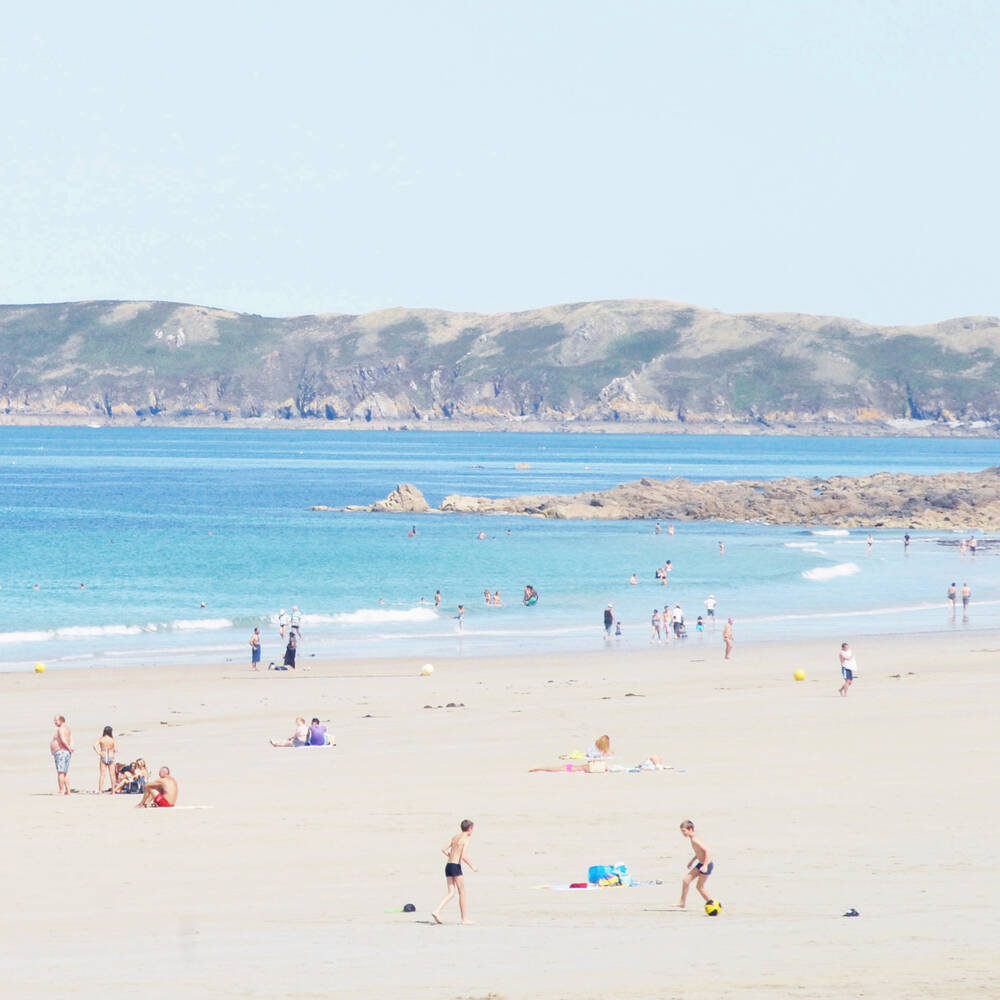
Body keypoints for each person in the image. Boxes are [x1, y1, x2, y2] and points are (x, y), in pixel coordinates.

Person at [431, 819, 477, 925]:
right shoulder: (465, 840)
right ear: (470, 828)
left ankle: (436, 910)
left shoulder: (455, 837)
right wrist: (472, 866)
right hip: (456, 866)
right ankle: (464, 919)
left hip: (448, 865)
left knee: (451, 893)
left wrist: (450, 856)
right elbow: (463, 856)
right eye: (472, 829)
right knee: (462, 892)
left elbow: (443, 849)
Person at [676, 820, 715, 908]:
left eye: (684, 831)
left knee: (699, 887)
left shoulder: (694, 839)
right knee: (686, 880)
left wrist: (705, 865)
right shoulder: (693, 838)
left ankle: (712, 903)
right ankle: (682, 903)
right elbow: (699, 852)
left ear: (690, 829)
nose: (683, 834)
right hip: (701, 863)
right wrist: (692, 860)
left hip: (706, 864)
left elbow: (707, 851)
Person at [50, 714, 74, 795]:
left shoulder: (61, 729)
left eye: (56, 720)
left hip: (61, 752)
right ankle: (68, 790)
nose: (54, 722)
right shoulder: (68, 729)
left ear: (61, 720)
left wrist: (68, 747)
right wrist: (71, 747)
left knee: (60, 772)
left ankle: (61, 790)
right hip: (66, 752)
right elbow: (71, 739)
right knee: (65, 772)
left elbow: (63, 739)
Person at [93, 725, 117, 795]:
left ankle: (100, 791)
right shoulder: (112, 739)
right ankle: (113, 791)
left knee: (102, 775)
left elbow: (94, 746)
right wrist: (113, 752)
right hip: (110, 755)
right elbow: (116, 749)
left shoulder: (102, 739)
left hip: (103, 755)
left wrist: (98, 752)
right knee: (112, 775)